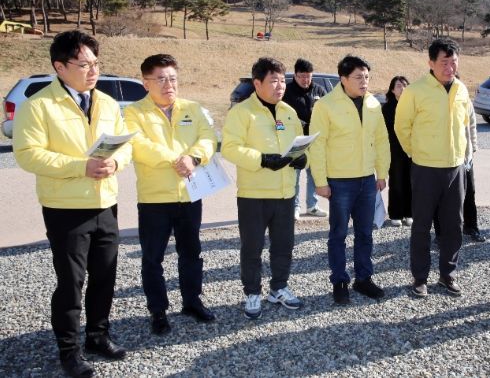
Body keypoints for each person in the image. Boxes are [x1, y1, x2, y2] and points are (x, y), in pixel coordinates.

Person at [13, 30, 130, 378]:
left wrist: (116, 162)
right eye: (84, 64)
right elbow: (28, 154)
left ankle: (98, 336)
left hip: (105, 202)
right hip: (65, 208)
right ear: (60, 67)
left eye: (96, 63)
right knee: (71, 283)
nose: (93, 71)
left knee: (105, 276)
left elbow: (125, 146)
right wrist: (81, 166)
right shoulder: (39, 105)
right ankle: (69, 351)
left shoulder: (107, 102)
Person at [124, 54, 217, 336]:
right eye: (161, 79)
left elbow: (208, 138)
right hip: (155, 199)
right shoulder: (134, 113)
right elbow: (139, 145)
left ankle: (192, 302)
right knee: (153, 258)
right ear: (146, 83)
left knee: (191, 253)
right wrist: (177, 159)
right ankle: (158, 311)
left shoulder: (192, 108)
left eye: (173, 78)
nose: (169, 85)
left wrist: (194, 157)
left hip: (189, 195)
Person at [221, 57, 306, 319]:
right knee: (252, 247)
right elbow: (229, 148)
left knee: (284, 246)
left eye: (282, 81)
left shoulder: (288, 112)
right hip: (254, 195)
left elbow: (299, 142)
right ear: (257, 83)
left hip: (285, 193)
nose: (280, 86)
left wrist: (303, 158)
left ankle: (278, 287)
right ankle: (252, 292)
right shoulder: (241, 112)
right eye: (273, 81)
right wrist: (262, 159)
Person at [309, 55, 390, 304]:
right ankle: (339, 281)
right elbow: (317, 145)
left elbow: (381, 139)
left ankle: (363, 279)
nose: (364, 81)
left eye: (367, 77)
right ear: (343, 79)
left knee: (365, 233)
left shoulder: (373, 104)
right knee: (338, 234)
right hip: (339, 181)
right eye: (358, 77)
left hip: (367, 180)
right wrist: (320, 181)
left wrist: (382, 172)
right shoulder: (326, 105)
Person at [394, 38, 471, 298]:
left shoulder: (461, 89)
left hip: (455, 168)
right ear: (431, 63)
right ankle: (420, 277)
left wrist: (465, 155)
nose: (449, 68)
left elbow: (465, 123)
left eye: (453, 62)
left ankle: (448, 274)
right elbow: (402, 127)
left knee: (454, 225)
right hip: (425, 168)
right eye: (444, 62)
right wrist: (417, 153)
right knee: (422, 225)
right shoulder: (415, 91)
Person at [282, 58, 328, 220]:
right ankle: (294, 206)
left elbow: (327, 112)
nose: (305, 80)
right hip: (295, 140)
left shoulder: (319, 90)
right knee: (294, 175)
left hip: (315, 139)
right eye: (301, 76)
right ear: (295, 75)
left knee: (314, 174)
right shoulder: (287, 92)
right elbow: (281, 116)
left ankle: (312, 205)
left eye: (308, 76)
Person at [434, 99, 484, 242]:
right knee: (441, 197)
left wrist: (473, 146)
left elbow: (472, 124)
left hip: (464, 157)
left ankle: (471, 227)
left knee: (469, 193)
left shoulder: (464, 99)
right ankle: (440, 234)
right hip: (441, 159)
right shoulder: (434, 98)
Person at [381, 75, 412, 227]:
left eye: (405, 85)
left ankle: (409, 213)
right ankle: (395, 214)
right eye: (399, 86)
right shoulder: (387, 108)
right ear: (392, 90)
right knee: (396, 182)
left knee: (411, 182)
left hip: (412, 150)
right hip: (394, 150)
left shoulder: (413, 105)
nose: (402, 88)